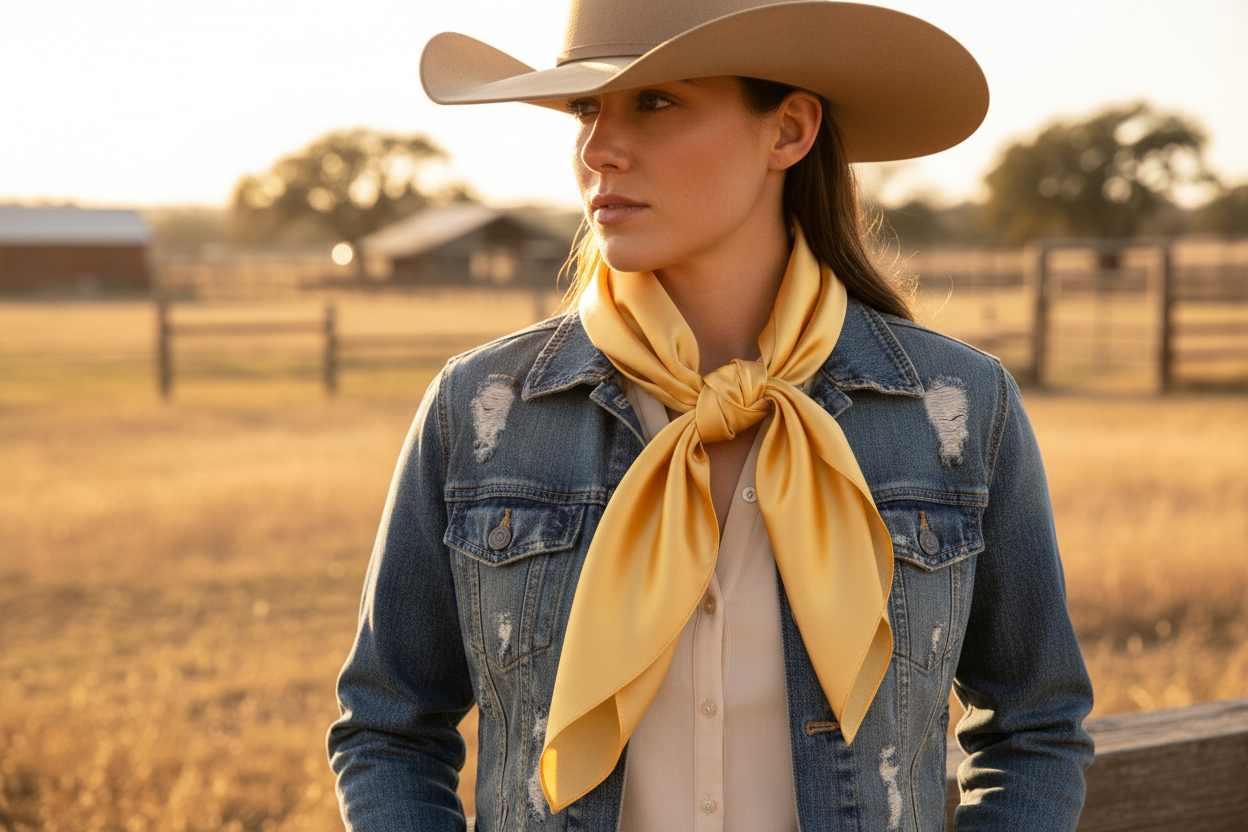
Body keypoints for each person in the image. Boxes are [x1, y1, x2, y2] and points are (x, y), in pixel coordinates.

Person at [327, 1, 1095, 829]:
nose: (598, 148)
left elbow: (1033, 726)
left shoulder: (958, 408)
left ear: (788, 131)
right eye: (586, 108)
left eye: (656, 102)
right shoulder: (482, 411)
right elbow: (389, 729)